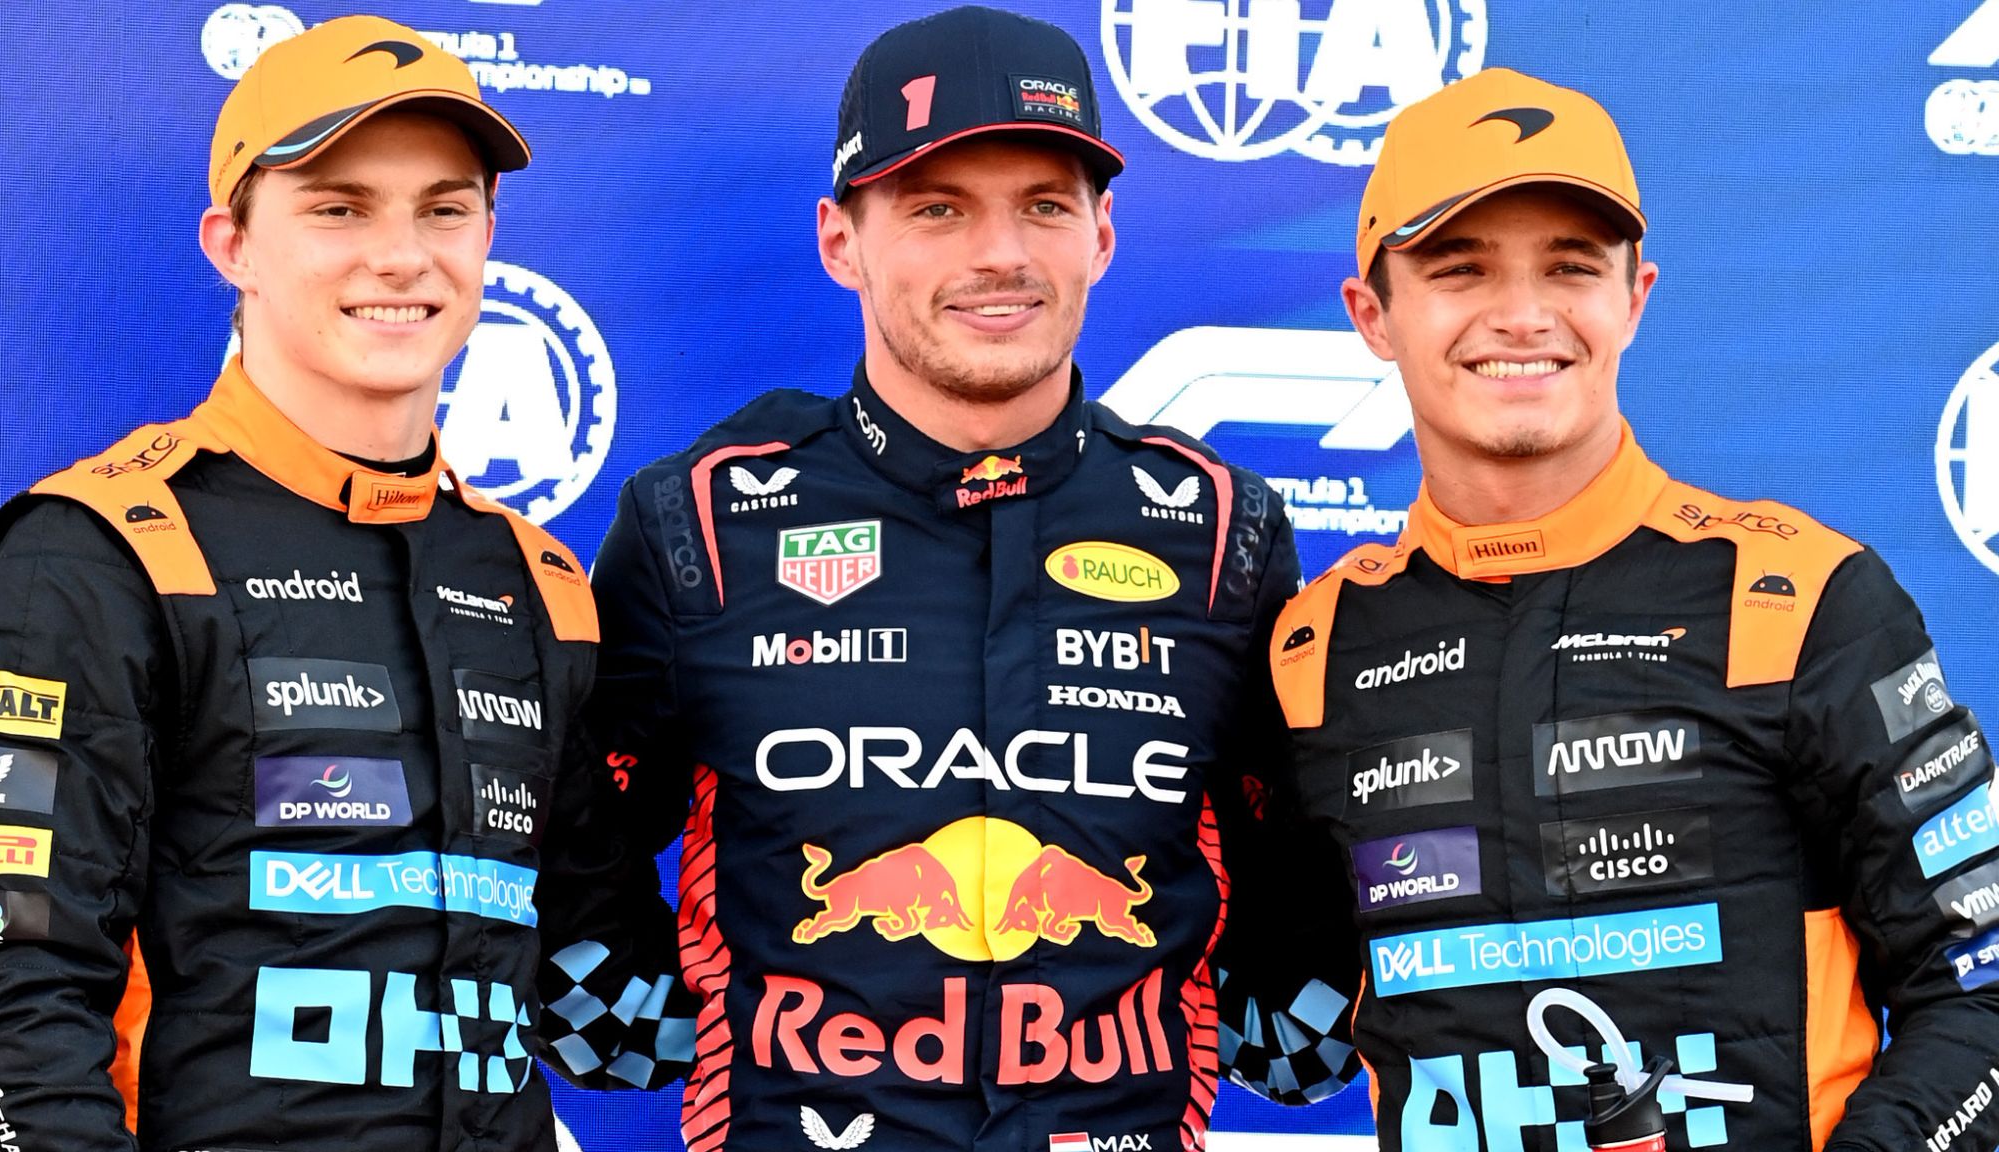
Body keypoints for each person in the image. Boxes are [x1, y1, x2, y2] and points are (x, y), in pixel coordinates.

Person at [529, 6, 1313, 1149]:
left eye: (1043, 205)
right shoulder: (698, 517)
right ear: (839, 239)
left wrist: (1296, 1009)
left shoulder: (1220, 529)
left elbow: (1294, 876)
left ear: (1101, 234)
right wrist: (626, 1020)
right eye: (936, 209)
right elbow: (569, 835)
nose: (997, 254)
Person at [1245, 66, 1999, 1151]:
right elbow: (1284, 1049)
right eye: (1458, 270)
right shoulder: (1317, 650)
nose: (1520, 315)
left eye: (1569, 268)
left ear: (1633, 297)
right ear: (1371, 313)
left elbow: (1977, 987)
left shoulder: (1794, 598)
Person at [0, 16, 648, 1151]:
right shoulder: (99, 555)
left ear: (486, 237)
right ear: (231, 244)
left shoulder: (537, 584)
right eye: (338, 206)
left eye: (444, 207)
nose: (402, 255)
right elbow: (2, 1003)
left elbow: (594, 1016)